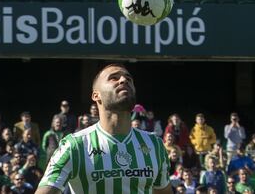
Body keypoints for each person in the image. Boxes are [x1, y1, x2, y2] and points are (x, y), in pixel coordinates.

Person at [35, 64, 173, 193]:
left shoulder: (155, 145)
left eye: (128, 78)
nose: (124, 80)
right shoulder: (74, 146)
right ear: (96, 95)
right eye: (114, 78)